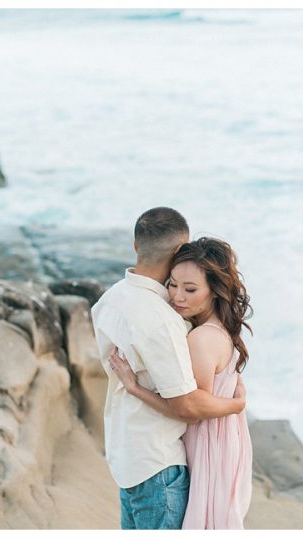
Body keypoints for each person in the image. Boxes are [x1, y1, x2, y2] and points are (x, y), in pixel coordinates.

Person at [91, 207, 246, 530]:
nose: (179, 295)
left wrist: (134, 387)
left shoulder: (108, 301)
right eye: (178, 286)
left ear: (136, 246)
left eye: (189, 289)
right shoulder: (163, 321)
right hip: (158, 463)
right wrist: (237, 404)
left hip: (125, 457)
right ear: (179, 252)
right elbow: (187, 406)